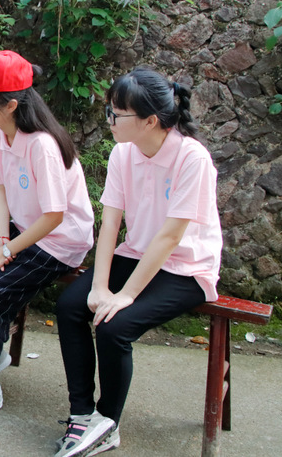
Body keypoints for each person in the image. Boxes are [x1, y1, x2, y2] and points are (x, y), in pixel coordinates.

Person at [53, 68, 222, 457]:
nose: (109, 120)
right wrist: (99, 286)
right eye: (109, 111)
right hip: (137, 254)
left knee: (114, 327)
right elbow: (110, 223)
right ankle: (82, 413)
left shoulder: (192, 158)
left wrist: (125, 295)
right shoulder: (123, 152)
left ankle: (107, 422)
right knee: (71, 306)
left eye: (117, 114)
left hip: (185, 267)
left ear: (150, 121)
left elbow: (170, 237)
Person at [0, 50, 95, 423]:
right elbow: (0, 188)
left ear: (10, 105)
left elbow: (55, 216)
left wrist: (7, 250)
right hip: (24, 227)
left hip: (58, 240)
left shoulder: (42, 145)